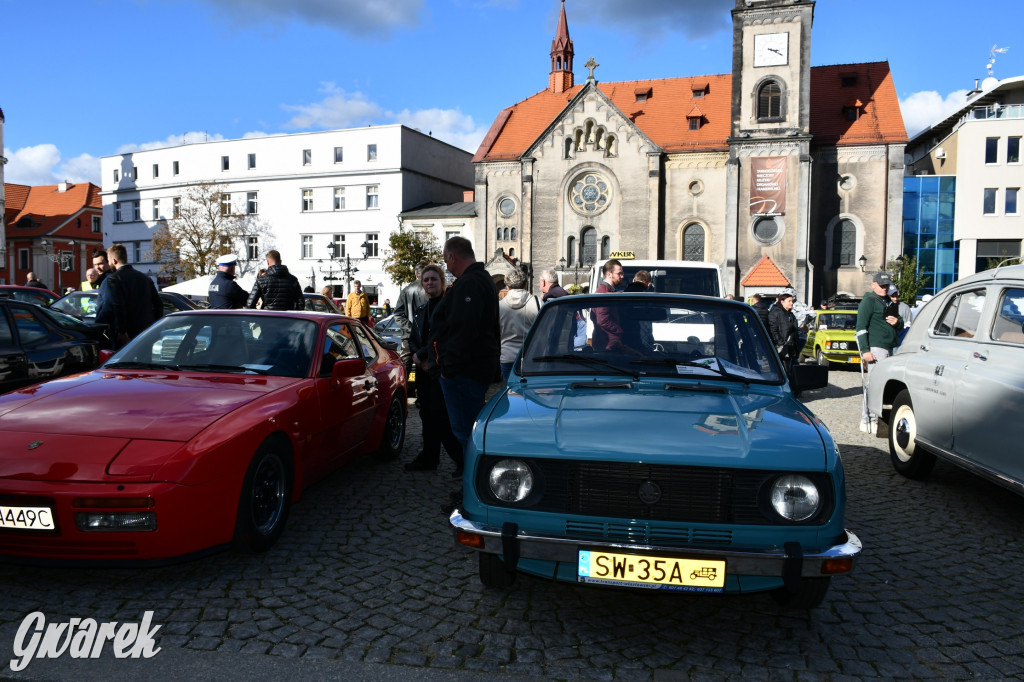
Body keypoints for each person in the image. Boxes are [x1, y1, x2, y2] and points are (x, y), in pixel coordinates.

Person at [431, 237, 500, 475]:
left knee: (465, 432)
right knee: (467, 430)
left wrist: (447, 366)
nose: (446, 266)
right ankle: (472, 484)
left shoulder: (470, 283)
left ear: (452, 256)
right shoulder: (482, 280)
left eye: (445, 260)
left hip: (464, 371)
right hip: (472, 367)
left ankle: (473, 489)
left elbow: (464, 330)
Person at [405, 264, 462, 473]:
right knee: (427, 415)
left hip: (441, 370)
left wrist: (424, 356)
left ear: (442, 282)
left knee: (442, 417)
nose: (430, 283)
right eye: (426, 280)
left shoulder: (447, 307)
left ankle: (461, 460)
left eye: (433, 279)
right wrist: (416, 356)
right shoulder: (421, 310)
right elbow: (414, 338)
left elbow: (443, 337)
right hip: (423, 370)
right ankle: (429, 457)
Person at [856, 272, 903, 432]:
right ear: (873, 285)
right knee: (874, 385)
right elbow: (861, 327)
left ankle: (878, 419)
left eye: (887, 286)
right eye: (882, 285)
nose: (885, 288)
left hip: (890, 347)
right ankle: (867, 419)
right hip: (876, 348)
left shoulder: (887, 301)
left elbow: (900, 321)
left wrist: (898, 322)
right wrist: (865, 350)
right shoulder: (868, 301)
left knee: (884, 386)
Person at [94, 243, 163, 350]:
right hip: (146, 333)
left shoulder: (113, 280)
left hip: (125, 336)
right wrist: (154, 328)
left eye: (108, 260)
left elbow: (117, 306)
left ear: (114, 261)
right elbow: (158, 305)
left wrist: (122, 332)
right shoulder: (145, 279)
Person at [498, 267, 541, 380]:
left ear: (507, 286)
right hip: (532, 355)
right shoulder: (537, 302)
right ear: (525, 285)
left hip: (507, 356)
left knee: (511, 392)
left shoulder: (499, 306)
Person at [592, 259, 627, 351]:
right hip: (608, 344)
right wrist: (619, 331)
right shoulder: (604, 292)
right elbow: (602, 320)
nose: (622, 276)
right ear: (609, 274)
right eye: (619, 273)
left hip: (609, 342)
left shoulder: (607, 291)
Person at [769, 291, 801, 372]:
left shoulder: (790, 314)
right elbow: (773, 329)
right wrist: (781, 343)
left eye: (792, 301)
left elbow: (794, 331)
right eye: (789, 301)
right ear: (782, 302)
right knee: (782, 370)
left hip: (790, 347)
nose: (791, 303)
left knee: (789, 371)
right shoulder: (776, 313)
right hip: (781, 348)